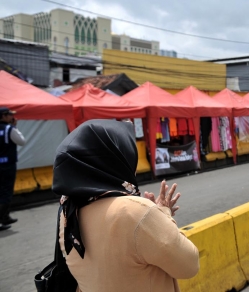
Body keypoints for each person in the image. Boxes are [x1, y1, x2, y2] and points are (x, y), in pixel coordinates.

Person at [52, 119, 199, 292]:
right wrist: (162, 214)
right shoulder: (134, 211)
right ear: (115, 158)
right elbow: (189, 265)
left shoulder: (68, 213)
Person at [0, 107, 26, 231]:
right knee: (6, 192)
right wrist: (14, 127)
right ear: (4, 116)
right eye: (9, 114)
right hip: (7, 165)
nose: (12, 117)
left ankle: (5, 217)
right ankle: (1, 219)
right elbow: (22, 141)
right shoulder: (9, 129)